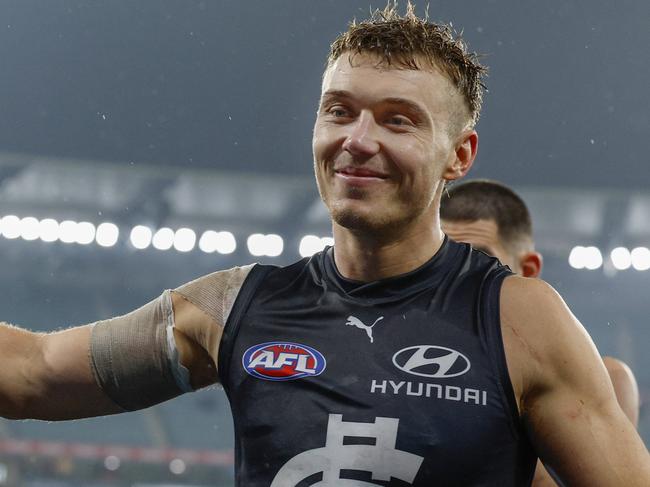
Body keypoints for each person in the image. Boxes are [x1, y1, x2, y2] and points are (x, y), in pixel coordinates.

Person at [1, 4, 649, 486]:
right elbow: (31, 373)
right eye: (339, 110)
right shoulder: (229, 308)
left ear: (459, 155)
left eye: (398, 119)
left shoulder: (522, 320)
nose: (358, 139)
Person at [440, 179, 641, 486]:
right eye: (444, 263)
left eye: (478, 261)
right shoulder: (394, 368)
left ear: (528, 271)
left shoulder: (606, 381)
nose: (455, 280)